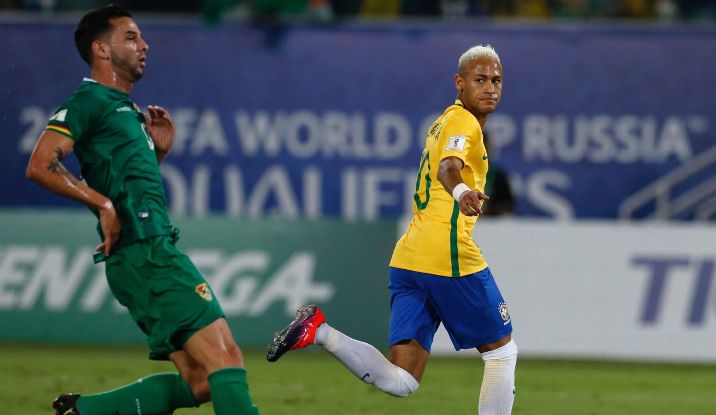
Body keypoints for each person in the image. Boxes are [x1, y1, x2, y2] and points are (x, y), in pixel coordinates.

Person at [25, 5, 259, 415]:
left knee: (202, 381)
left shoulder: (126, 110)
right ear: (101, 49)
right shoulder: (90, 99)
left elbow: (123, 181)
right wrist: (101, 204)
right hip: (147, 252)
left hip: (144, 253)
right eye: (131, 37)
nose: (144, 45)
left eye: (141, 37)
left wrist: (157, 156)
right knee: (227, 357)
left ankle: (84, 411)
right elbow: (40, 164)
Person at [266, 44, 517, 415]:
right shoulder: (463, 122)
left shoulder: (443, 122)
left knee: (402, 379)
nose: (490, 87)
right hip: (445, 253)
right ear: (459, 83)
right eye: (480, 79)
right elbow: (449, 168)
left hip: (409, 257)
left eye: (496, 80)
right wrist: (462, 190)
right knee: (501, 353)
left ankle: (319, 332)